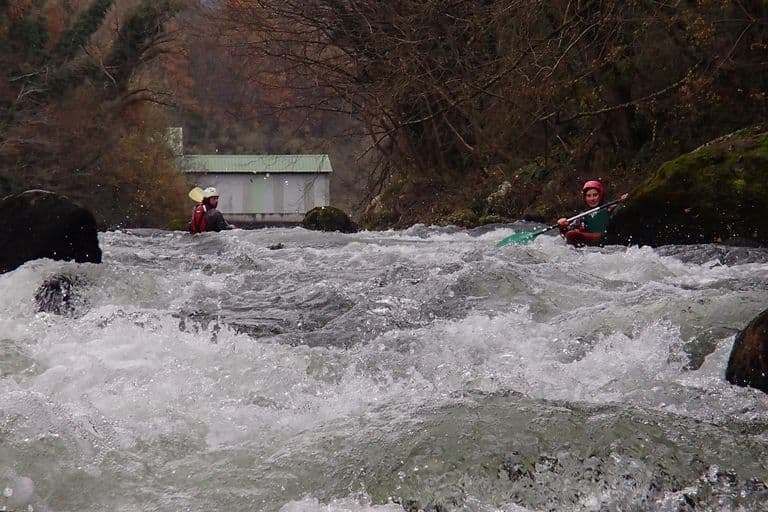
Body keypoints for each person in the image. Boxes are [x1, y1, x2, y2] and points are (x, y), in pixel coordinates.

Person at [557, 180, 628, 247]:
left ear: (600, 195)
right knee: (571, 234)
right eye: (589, 196)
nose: (592, 199)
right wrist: (563, 227)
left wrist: (624, 201)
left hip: (606, 239)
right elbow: (567, 233)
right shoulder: (582, 216)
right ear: (585, 198)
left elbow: (622, 212)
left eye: (595, 195)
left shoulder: (611, 209)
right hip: (589, 244)